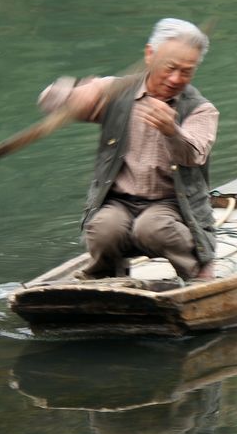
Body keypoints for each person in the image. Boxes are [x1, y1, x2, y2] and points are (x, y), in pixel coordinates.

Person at [37, 18, 218, 281]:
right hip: (120, 200)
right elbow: (48, 99)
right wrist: (69, 95)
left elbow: (195, 154)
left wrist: (172, 131)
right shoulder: (116, 91)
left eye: (186, 72)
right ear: (149, 55)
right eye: (170, 68)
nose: (175, 78)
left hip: (171, 204)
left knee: (152, 228)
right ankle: (106, 275)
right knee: (103, 230)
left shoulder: (200, 109)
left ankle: (196, 269)